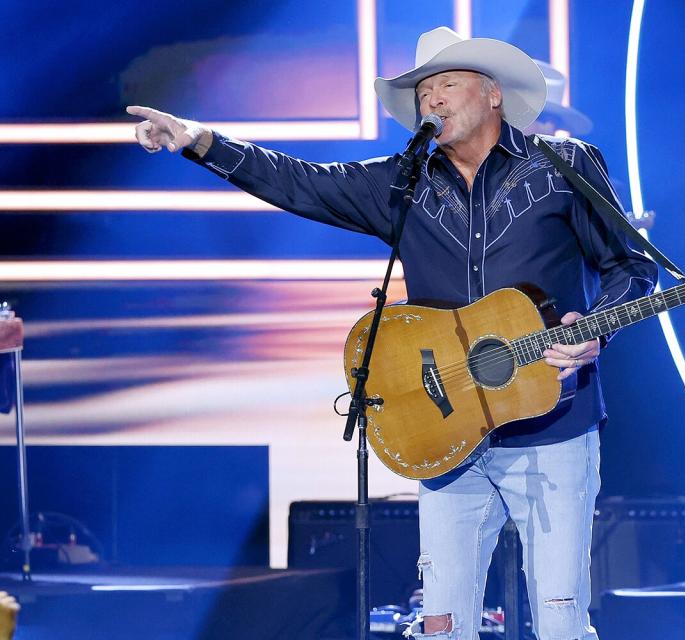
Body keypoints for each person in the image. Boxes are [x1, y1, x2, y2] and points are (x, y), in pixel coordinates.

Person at [128, 26, 656, 640]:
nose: (432, 98)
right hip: (448, 431)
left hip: (553, 424)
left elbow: (633, 264)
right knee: (443, 625)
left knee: (561, 620)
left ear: (491, 95)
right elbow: (301, 181)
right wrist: (200, 140)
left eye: (446, 84)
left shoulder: (566, 167)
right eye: (424, 89)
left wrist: (594, 332)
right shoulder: (401, 185)